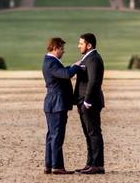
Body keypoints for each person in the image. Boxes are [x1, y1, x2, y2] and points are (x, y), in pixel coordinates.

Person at [42, 37, 79, 175]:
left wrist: (72, 66)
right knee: (57, 135)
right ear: (55, 48)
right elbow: (66, 74)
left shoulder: (51, 61)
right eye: (62, 49)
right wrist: (76, 66)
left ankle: (49, 165)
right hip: (57, 103)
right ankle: (57, 166)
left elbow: (62, 72)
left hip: (52, 103)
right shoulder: (51, 62)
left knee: (51, 135)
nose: (63, 52)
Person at [73, 32, 105, 174]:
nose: (78, 46)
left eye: (81, 43)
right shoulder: (87, 58)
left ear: (89, 45)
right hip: (83, 102)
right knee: (88, 133)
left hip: (89, 103)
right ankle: (90, 163)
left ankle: (98, 165)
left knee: (93, 133)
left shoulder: (94, 59)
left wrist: (87, 101)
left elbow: (94, 81)